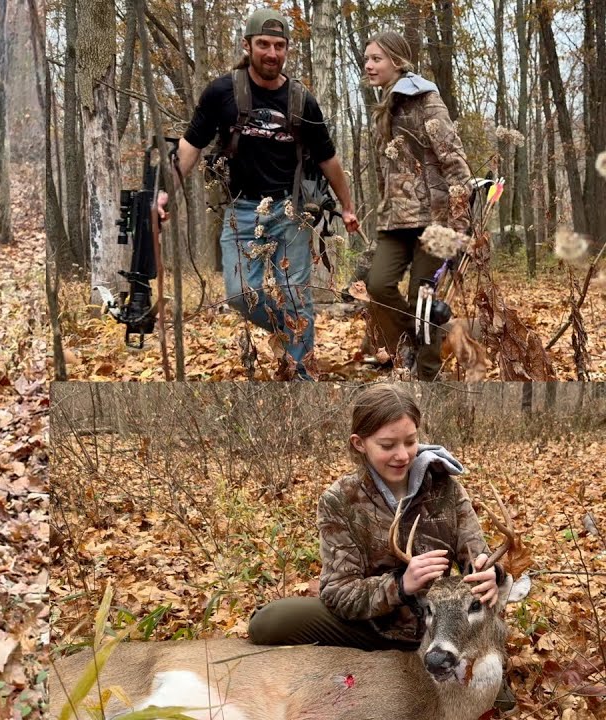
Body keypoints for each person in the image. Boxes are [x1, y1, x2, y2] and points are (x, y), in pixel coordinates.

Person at [247, 383, 514, 708]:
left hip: (443, 624)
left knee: (495, 683)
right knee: (270, 622)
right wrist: (400, 586)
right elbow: (337, 592)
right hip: (373, 625)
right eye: (387, 445)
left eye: (410, 441)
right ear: (360, 444)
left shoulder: (445, 488)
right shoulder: (340, 501)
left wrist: (488, 574)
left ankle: (466, 667)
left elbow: (477, 555)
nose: (402, 455)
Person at [156, 8, 359, 381]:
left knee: (295, 294)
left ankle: (301, 373)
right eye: (263, 44)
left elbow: (329, 160)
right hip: (240, 211)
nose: (271, 53)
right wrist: (163, 193)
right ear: (247, 46)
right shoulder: (222, 93)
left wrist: (347, 206)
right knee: (239, 295)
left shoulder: (302, 101)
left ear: (286, 50)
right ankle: (292, 333)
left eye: (279, 46)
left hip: (291, 211)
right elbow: (189, 146)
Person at [356, 31, 473, 381]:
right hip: (395, 221)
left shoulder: (426, 98)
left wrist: (461, 223)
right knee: (378, 285)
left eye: (376, 58)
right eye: (366, 59)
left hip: (435, 221)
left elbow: (454, 159)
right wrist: (383, 207)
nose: (368, 65)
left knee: (423, 302)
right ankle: (409, 345)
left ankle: (426, 377)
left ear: (397, 60)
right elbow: (384, 172)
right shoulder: (382, 107)